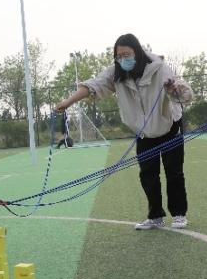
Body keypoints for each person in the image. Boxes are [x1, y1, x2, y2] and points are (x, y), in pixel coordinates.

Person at [54, 33, 194, 229]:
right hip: (143, 132)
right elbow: (93, 85)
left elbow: (184, 93)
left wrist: (174, 90)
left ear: (137, 52)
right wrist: (68, 102)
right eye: (118, 56)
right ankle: (155, 216)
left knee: (174, 172)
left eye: (126, 55)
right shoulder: (116, 73)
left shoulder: (159, 67)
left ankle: (179, 214)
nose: (122, 59)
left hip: (169, 125)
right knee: (147, 174)